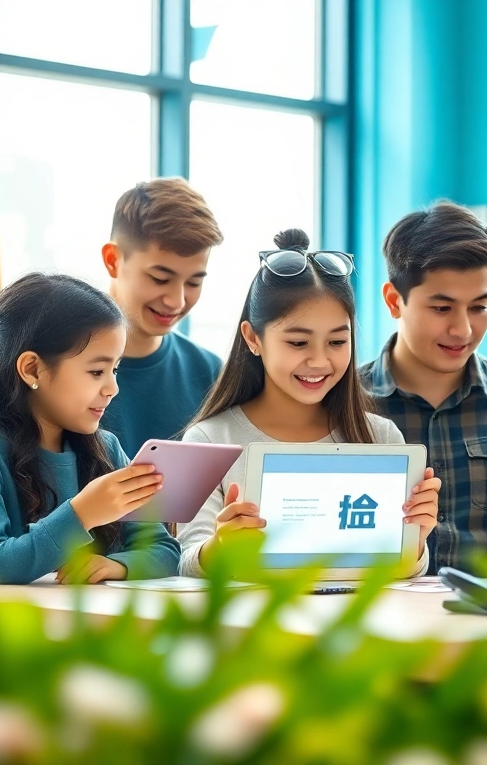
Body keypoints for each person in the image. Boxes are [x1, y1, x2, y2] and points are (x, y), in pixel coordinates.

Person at [177, 229, 440, 577]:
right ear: (253, 338)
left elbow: (401, 572)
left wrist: (416, 540)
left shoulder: (380, 438)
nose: (319, 361)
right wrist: (219, 547)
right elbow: (185, 564)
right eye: (299, 343)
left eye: (336, 341)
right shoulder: (208, 440)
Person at [0, 273, 180, 585]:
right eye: (96, 371)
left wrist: (117, 566)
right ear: (32, 369)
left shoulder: (105, 448)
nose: (113, 388)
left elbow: (165, 551)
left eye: (114, 369)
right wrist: (81, 514)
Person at [360, 201, 487, 574]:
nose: (463, 330)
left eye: (478, 308)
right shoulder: (345, 402)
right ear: (394, 301)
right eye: (442, 308)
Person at [99, 178, 225, 456]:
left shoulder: (213, 375)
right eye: (160, 278)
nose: (177, 301)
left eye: (194, 282)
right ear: (112, 261)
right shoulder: (58, 368)